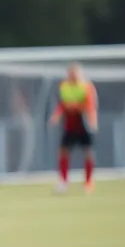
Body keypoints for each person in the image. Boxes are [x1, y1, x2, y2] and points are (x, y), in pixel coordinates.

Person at [49, 62, 97, 194]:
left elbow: (90, 105)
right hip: (70, 125)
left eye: (75, 74)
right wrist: (56, 116)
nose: (72, 76)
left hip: (84, 124)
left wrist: (76, 106)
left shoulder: (86, 87)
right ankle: (64, 181)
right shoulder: (64, 86)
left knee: (88, 153)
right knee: (63, 151)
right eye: (70, 74)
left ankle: (88, 182)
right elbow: (63, 104)